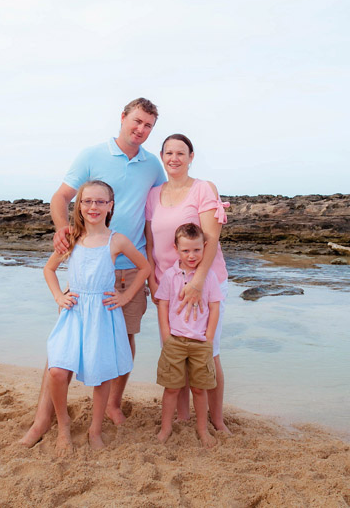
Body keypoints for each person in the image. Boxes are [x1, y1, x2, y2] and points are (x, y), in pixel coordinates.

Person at [20, 98, 165, 447]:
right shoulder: (91, 155)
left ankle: (113, 404)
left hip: (130, 268)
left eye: (148, 125)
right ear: (123, 118)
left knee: (123, 341)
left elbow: (161, 207)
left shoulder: (153, 165)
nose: (141, 130)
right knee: (63, 351)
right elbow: (61, 198)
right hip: (87, 271)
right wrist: (63, 231)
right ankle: (44, 419)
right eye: (137, 121)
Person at [44, 180, 151, 453]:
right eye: (87, 201)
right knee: (57, 371)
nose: (94, 207)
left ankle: (95, 429)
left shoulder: (117, 240)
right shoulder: (71, 238)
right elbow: (49, 269)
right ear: (79, 205)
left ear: (110, 206)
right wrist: (58, 296)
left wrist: (125, 297)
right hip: (75, 311)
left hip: (103, 314)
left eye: (100, 202)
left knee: (101, 374)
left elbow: (144, 267)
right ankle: (63, 423)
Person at [145, 133, 231, 433]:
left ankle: (217, 420)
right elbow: (149, 240)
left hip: (205, 283)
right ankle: (182, 419)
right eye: (168, 153)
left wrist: (197, 282)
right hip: (168, 286)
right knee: (176, 353)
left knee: (209, 352)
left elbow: (211, 238)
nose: (174, 158)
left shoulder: (203, 188)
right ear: (162, 156)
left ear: (191, 156)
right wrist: (152, 281)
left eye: (181, 153)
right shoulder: (153, 194)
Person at [155, 223, 223, 448]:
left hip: (200, 342)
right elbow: (162, 305)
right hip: (175, 340)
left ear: (204, 247)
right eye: (185, 250)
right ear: (176, 249)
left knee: (199, 389)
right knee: (172, 387)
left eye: (196, 250)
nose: (191, 255)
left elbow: (215, 308)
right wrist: (166, 336)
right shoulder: (169, 276)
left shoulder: (209, 277)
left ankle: (203, 430)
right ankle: (166, 429)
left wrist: (209, 338)